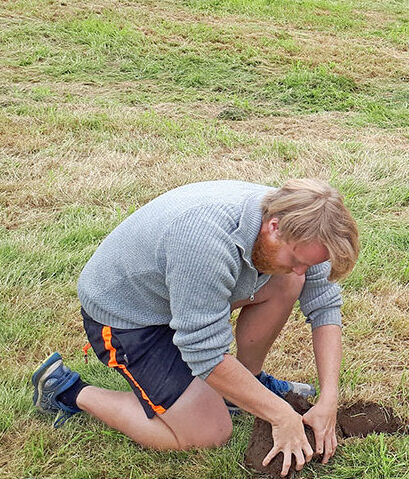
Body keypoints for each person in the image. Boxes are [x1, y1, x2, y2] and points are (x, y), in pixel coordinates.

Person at [31, 179, 360, 477]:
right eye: (296, 258)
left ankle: (244, 388)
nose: (302, 269)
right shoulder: (203, 241)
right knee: (207, 433)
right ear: (274, 227)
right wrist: (281, 415)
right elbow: (204, 352)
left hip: (181, 297)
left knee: (290, 281)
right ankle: (67, 391)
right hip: (128, 318)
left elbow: (324, 307)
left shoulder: (298, 227)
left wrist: (328, 399)